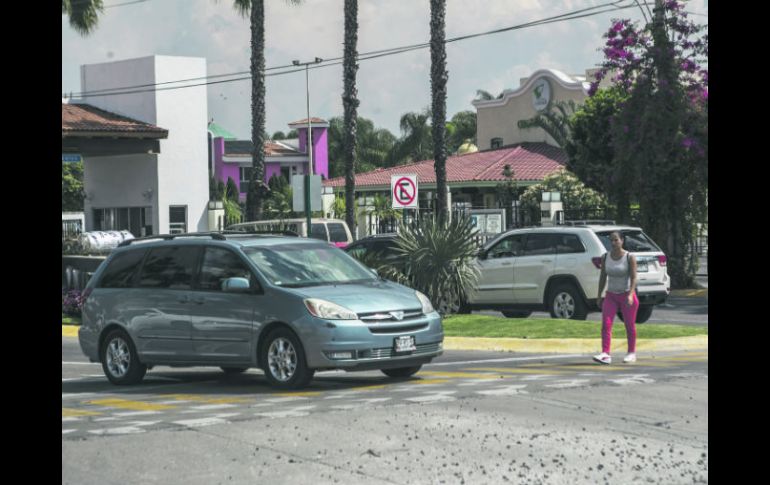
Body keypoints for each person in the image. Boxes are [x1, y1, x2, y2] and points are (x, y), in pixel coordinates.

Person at [594, 231, 639, 364]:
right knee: (606, 324)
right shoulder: (605, 257)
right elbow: (603, 277)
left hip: (626, 295)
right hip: (611, 295)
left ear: (622, 240)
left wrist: (631, 294)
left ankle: (631, 353)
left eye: (616, 240)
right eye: (611, 241)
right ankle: (606, 354)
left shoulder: (629, 257)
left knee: (629, 325)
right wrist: (599, 295)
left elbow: (634, 277)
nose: (613, 243)